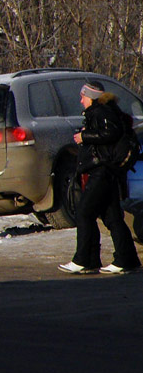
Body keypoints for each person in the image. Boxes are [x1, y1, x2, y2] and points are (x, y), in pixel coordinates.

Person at [58, 81, 142, 274]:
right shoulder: (103, 110)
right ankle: (126, 259)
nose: (80, 100)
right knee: (112, 217)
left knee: (84, 212)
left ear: (91, 96)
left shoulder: (101, 111)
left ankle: (84, 259)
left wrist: (85, 136)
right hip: (107, 170)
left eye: (83, 96)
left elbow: (111, 132)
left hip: (102, 170)